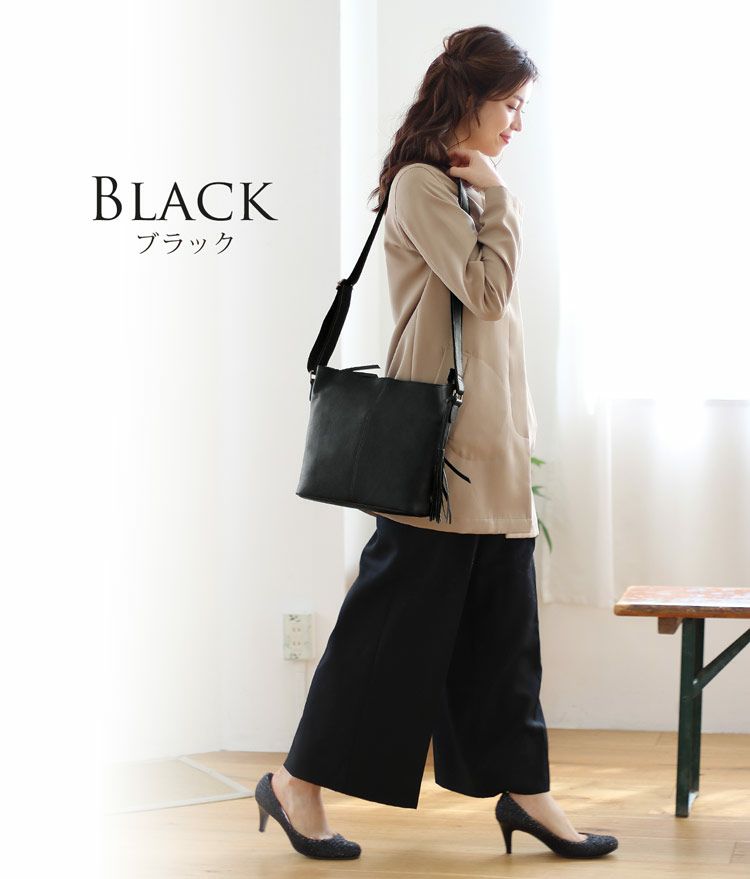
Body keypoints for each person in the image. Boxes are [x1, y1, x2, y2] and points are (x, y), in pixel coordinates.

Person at [255, 25, 618, 861]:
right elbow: (485, 294)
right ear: (473, 97)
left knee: (502, 636)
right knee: (388, 630)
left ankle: (525, 791)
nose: (517, 124)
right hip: (442, 454)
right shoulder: (424, 185)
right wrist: (503, 201)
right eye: (511, 105)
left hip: (495, 447)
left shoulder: (462, 189)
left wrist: (490, 197)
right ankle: (296, 782)